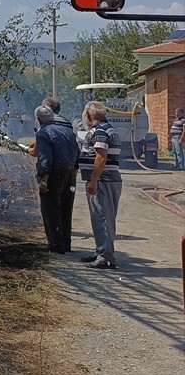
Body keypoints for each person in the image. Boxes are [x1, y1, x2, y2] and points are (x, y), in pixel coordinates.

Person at [80, 100, 122, 269]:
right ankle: (101, 251)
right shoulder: (107, 129)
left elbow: (101, 157)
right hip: (106, 180)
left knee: (103, 217)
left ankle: (105, 257)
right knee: (100, 217)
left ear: (89, 115)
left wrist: (94, 180)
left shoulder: (100, 131)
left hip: (103, 181)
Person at [33, 104, 79, 254]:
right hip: (70, 173)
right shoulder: (68, 131)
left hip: (54, 174)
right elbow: (77, 153)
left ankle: (56, 245)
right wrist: (74, 173)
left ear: (39, 120)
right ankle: (66, 243)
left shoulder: (43, 133)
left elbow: (46, 159)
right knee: (67, 208)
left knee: (51, 208)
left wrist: (44, 180)